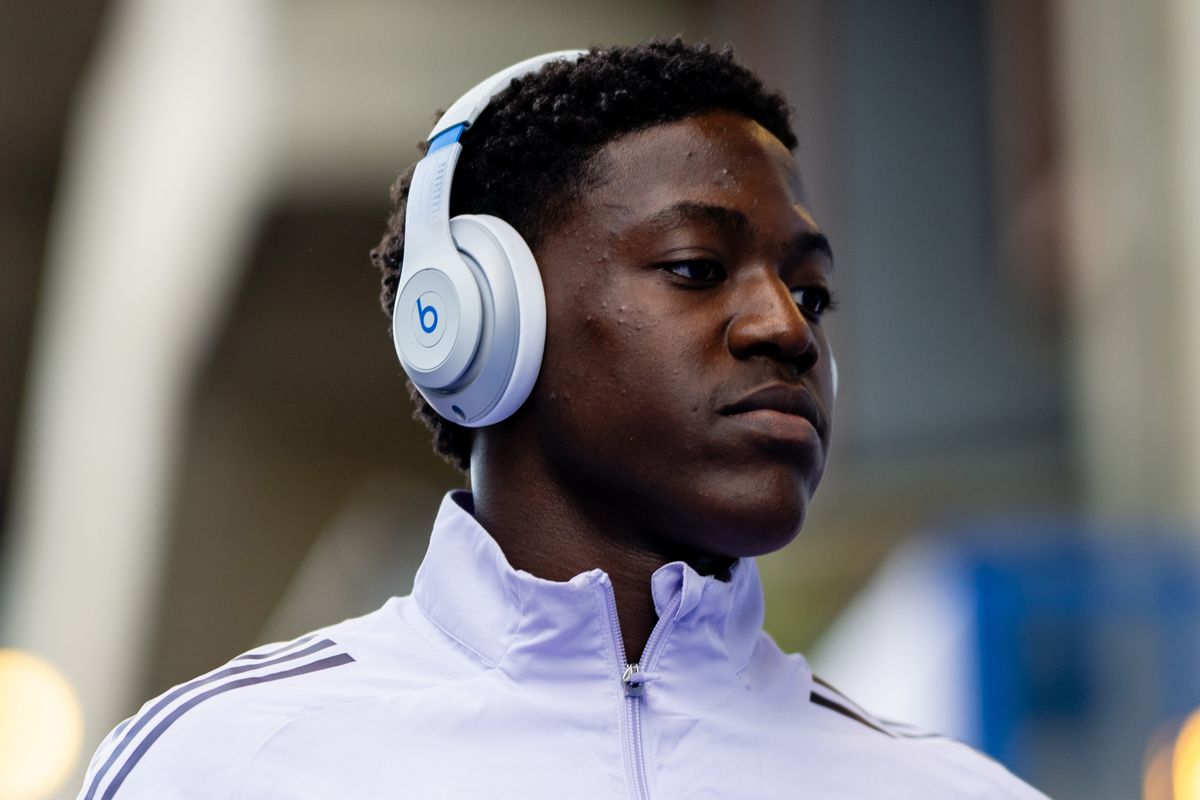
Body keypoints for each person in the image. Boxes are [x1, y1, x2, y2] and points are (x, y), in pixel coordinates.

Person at [78, 40, 1049, 798]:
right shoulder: (219, 766)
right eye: (696, 269)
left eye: (812, 293)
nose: (785, 326)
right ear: (477, 320)